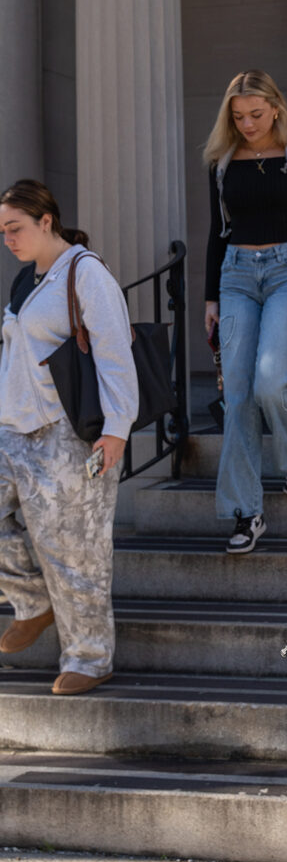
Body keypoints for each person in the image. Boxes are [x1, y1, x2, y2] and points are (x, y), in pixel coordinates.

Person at [0, 179, 138, 696]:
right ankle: (33, 603)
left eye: (15, 229)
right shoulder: (25, 280)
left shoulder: (86, 274)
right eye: (2, 232)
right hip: (11, 427)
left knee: (76, 552)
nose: (8, 239)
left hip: (67, 435)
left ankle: (89, 657)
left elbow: (115, 355)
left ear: (46, 222)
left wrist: (117, 431)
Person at [203, 70, 287, 556]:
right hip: (236, 273)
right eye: (238, 117)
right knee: (237, 395)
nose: (248, 124)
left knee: (270, 379)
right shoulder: (222, 160)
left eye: (256, 115)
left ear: (275, 108)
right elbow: (217, 232)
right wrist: (210, 298)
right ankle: (245, 510)